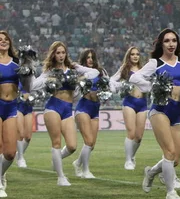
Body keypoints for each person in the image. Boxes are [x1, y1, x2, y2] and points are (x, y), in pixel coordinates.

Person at [130, 29, 180, 199]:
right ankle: (170, 192)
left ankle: (151, 172)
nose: (171, 44)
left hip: (178, 110)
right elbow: (135, 78)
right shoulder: (155, 63)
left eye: (174, 40)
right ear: (161, 44)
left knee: (175, 158)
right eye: (167, 41)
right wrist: (153, 87)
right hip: (160, 110)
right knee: (169, 151)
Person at [31, 41, 100, 186]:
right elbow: (33, 86)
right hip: (53, 107)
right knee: (56, 142)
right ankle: (61, 177)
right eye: (58, 53)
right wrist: (49, 80)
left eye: (63, 52)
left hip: (68, 109)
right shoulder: (50, 70)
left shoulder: (72, 68)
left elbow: (95, 72)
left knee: (72, 146)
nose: (61, 55)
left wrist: (80, 75)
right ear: (53, 54)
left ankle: (56, 160)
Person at [0, 31, 34, 197]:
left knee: (10, 153)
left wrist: (28, 67)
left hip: (12, 107)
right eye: (0, 39)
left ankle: (0, 174)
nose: (3, 41)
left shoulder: (16, 65)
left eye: (6, 39)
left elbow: (28, 88)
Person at [109, 46, 148, 171]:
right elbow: (111, 80)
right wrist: (121, 86)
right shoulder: (124, 69)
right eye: (132, 54)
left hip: (142, 103)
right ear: (129, 56)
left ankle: (131, 156)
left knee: (139, 136)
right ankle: (128, 160)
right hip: (129, 102)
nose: (135, 56)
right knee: (131, 133)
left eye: (137, 54)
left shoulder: (144, 69)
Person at [71, 49, 108, 179]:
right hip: (83, 107)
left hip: (95, 109)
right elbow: (75, 92)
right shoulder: (80, 73)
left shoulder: (101, 72)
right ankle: (86, 170)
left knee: (92, 144)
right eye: (88, 57)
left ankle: (77, 163)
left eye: (92, 57)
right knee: (88, 141)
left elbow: (107, 86)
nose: (90, 59)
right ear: (84, 59)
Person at [15, 82, 34, 168]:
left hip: (28, 107)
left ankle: (19, 154)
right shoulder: (16, 76)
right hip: (17, 106)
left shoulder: (31, 78)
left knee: (28, 137)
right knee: (20, 133)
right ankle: (20, 158)